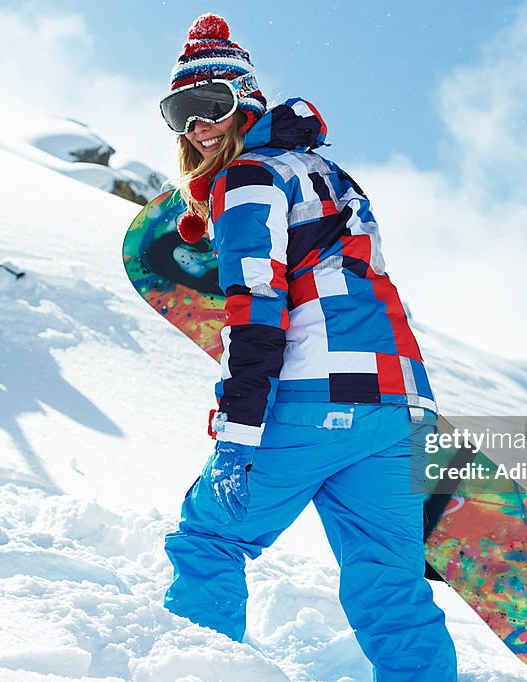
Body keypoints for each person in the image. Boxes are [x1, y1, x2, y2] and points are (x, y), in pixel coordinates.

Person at [159, 14, 457, 680]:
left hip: (312, 397)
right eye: (179, 113)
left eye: (211, 104)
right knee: (390, 587)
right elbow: (337, 278)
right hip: (399, 404)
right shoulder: (329, 174)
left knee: (209, 536)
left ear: (246, 100)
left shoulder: (250, 179)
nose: (196, 127)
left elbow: (258, 306)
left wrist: (237, 431)